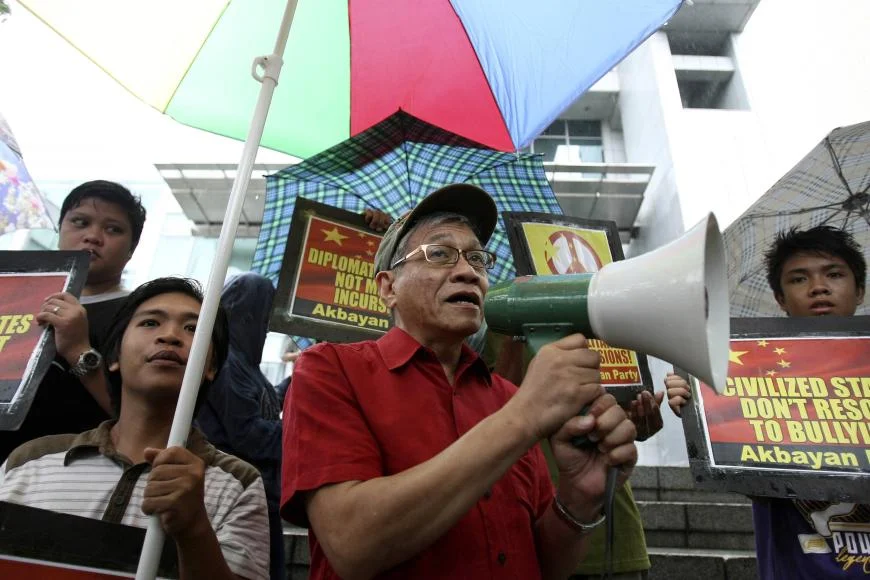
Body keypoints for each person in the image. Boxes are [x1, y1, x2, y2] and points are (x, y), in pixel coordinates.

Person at [282, 184, 638, 579]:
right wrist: (522, 418)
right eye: (439, 254)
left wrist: (578, 500)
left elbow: (544, 565)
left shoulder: (508, 397)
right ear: (388, 287)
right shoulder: (329, 370)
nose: (468, 272)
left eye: (478, 259)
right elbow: (351, 544)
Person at [0, 277, 270, 580]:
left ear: (212, 367)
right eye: (150, 323)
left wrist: (194, 529)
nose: (170, 336)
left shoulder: (238, 483)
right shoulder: (29, 461)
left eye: (193, 328)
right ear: (114, 356)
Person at [666, 225, 868, 580]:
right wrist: (699, 407)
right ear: (780, 298)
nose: (818, 287)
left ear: (860, 289)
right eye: (799, 278)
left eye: (834, 274)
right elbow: (746, 475)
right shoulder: (749, 375)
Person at [484, 334, 663, 580]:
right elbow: (493, 416)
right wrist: (515, 334)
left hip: (613, 528)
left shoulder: (607, 318)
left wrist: (634, 422)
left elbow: (620, 411)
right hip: (536, 535)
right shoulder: (495, 326)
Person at [0, 180, 147, 462]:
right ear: (60, 230)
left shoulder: (140, 315)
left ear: (131, 249)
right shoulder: (12, 297)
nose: (93, 236)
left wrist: (79, 350)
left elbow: (139, 417)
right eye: (80, 222)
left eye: (113, 229)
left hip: (65, 471)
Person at [197, 272, 284, 580]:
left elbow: (263, 402)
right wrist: (303, 434)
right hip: (238, 496)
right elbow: (249, 435)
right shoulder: (226, 362)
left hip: (259, 494)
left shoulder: (244, 364)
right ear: (248, 315)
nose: (267, 325)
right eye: (265, 314)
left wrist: (300, 379)